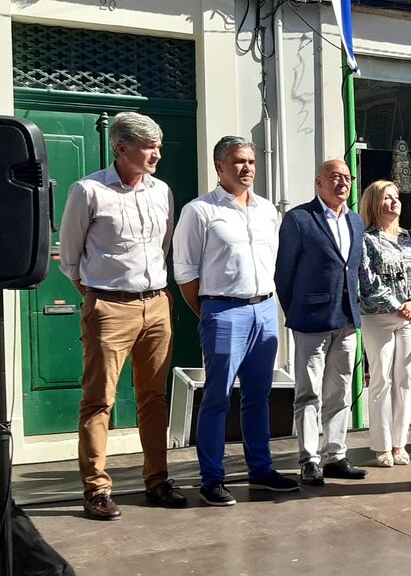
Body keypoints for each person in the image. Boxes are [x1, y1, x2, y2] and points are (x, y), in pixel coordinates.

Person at [59, 111, 186, 521]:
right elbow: (70, 257)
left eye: (159, 146)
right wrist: (98, 296)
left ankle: (158, 480)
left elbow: (162, 247)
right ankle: (96, 489)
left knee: (154, 397)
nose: (157, 154)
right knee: (99, 400)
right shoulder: (88, 191)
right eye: (149, 147)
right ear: (121, 147)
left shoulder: (162, 191)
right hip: (108, 306)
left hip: (157, 304)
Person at [173, 135, 299, 506]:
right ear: (219, 166)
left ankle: (261, 470)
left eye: (251, 161)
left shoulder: (267, 211)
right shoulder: (200, 211)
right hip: (223, 310)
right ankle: (212, 478)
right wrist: (211, 312)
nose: (247, 168)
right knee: (217, 398)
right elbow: (184, 271)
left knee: (259, 396)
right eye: (238, 162)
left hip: (265, 309)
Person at [275, 159, 368, 486]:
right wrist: (297, 312)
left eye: (347, 177)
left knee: (340, 391)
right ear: (319, 182)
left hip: (346, 319)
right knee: (309, 392)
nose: (343, 183)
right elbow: (283, 276)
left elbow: (352, 271)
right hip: (310, 320)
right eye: (335, 177)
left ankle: (336, 454)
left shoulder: (355, 221)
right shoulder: (300, 219)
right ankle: (309, 459)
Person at [358, 181, 411, 467]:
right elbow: (366, 281)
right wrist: (396, 305)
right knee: (380, 380)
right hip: (378, 317)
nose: (394, 202)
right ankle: (381, 446)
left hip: (410, 317)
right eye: (387, 198)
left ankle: (400, 444)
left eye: (396, 197)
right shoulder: (366, 239)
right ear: (374, 203)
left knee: (405, 380)